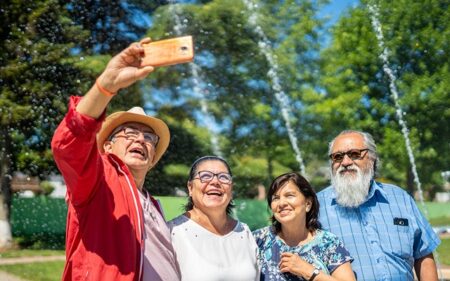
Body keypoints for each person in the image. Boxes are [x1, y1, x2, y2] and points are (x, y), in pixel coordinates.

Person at [51, 38, 181, 281]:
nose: (140, 140)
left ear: (153, 158)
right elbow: (68, 144)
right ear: (107, 147)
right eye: (129, 133)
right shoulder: (99, 181)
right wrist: (106, 85)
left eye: (148, 138)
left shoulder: (154, 205)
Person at [317, 130, 441, 281]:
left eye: (355, 154)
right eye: (338, 157)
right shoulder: (316, 206)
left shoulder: (400, 198)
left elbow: (423, 254)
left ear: (372, 158)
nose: (345, 162)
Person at [168, 156, 259, 281]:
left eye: (224, 177)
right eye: (205, 176)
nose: (215, 182)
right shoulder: (172, 232)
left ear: (231, 189)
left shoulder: (244, 232)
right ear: (190, 187)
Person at [253, 172, 355, 281]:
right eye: (276, 198)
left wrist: (309, 272)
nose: (281, 203)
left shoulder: (328, 243)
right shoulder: (258, 240)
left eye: (289, 195)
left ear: (308, 204)